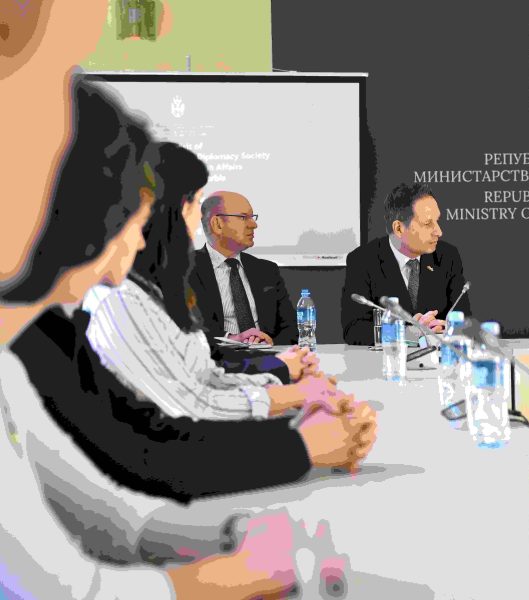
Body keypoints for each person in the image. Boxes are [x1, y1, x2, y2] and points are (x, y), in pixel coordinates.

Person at [0, 7, 317, 589]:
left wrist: (227, 536)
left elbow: (107, 515)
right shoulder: (95, 312)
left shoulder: (21, 350)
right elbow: (63, 580)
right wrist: (214, 579)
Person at [10, 78, 377, 507]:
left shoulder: (53, 328)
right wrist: (301, 437)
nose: (138, 236)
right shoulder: (109, 304)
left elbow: (146, 433)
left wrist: (298, 423)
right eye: (128, 213)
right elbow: (159, 441)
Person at [86, 142, 336, 422]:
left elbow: (205, 376)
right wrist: (294, 399)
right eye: (196, 201)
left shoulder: (154, 288)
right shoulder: (122, 301)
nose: (198, 217)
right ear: (174, 209)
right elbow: (193, 405)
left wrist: (283, 380)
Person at [341, 182, 471, 345]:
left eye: (437, 221)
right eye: (427, 224)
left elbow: (465, 320)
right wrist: (409, 332)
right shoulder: (363, 260)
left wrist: (447, 328)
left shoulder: (447, 256)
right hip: (388, 358)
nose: (439, 231)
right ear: (399, 228)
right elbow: (353, 329)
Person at [189, 190, 297, 346]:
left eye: (252, 217)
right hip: (217, 357)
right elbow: (185, 330)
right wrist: (232, 339)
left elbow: (291, 329)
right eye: (243, 217)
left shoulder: (267, 270)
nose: (254, 225)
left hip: (266, 356)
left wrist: (270, 342)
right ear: (217, 224)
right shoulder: (186, 269)